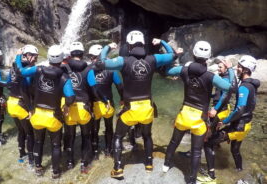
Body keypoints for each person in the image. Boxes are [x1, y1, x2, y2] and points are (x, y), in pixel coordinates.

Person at [97, 30, 182, 179]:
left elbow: (100, 62)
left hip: (130, 108)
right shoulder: (153, 59)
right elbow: (174, 55)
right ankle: (149, 164)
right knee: (147, 136)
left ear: (129, 46)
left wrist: (108, 48)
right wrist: (161, 42)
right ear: (143, 43)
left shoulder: (123, 60)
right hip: (147, 107)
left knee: (117, 137)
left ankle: (117, 168)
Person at [163, 41, 234, 184]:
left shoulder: (184, 70)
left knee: (173, 141)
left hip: (184, 114)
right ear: (208, 57)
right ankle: (192, 180)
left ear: (193, 54)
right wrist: (230, 69)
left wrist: (174, 56)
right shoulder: (211, 76)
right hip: (199, 118)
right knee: (196, 152)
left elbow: (167, 71)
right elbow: (229, 87)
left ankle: (166, 165)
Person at [15, 45, 75, 179]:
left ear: (48, 57)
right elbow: (71, 97)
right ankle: (55, 172)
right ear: (62, 59)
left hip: (37, 114)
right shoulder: (65, 78)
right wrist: (66, 106)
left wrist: (19, 56)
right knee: (55, 145)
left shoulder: (38, 69)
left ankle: (38, 168)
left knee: (38, 141)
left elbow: (20, 71)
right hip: (54, 116)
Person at [199, 55, 260, 183]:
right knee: (235, 150)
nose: (238, 68)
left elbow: (239, 109)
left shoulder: (244, 87)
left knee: (208, 143)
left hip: (238, 126)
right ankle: (239, 172)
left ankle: (211, 177)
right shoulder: (252, 85)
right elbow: (233, 87)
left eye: (239, 67)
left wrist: (225, 121)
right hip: (246, 125)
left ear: (245, 70)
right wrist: (230, 69)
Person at [62, 41, 104, 174]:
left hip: (68, 107)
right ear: (82, 53)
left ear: (70, 54)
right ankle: (84, 164)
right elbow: (94, 89)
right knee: (86, 137)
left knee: (70, 136)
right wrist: (103, 100)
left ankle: (69, 162)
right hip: (84, 107)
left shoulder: (63, 68)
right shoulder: (89, 70)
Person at [88, 44, 123, 159]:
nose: (90, 59)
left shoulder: (88, 70)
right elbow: (120, 87)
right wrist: (123, 99)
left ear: (93, 57)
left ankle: (95, 152)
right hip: (108, 104)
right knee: (109, 128)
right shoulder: (112, 71)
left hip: (94, 105)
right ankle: (108, 150)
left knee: (94, 128)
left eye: (91, 56)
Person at [6, 45, 38, 165]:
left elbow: (8, 83)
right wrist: (30, 108)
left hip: (11, 103)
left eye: (36, 56)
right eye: (34, 56)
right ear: (26, 55)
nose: (35, 58)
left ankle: (21, 155)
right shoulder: (28, 69)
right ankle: (31, 161)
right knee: (30, 133)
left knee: (21, 131)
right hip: (21, 105)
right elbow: (25, 90)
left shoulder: (14, 66)